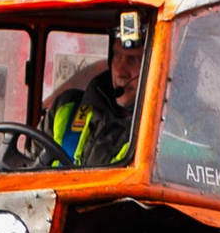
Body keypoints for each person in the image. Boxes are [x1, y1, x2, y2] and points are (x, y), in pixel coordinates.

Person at [45, 15, 146, 164]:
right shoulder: (66, 108)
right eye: (117, 55)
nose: (120, 71)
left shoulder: (162, 133)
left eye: (134, 59)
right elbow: (26, 165)